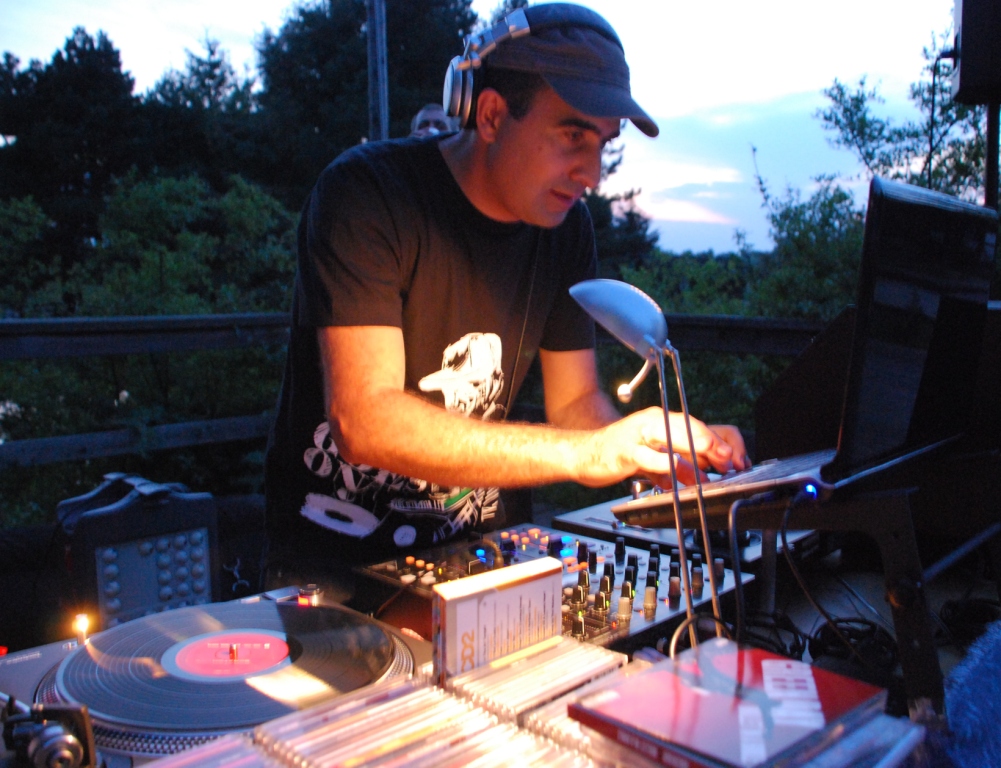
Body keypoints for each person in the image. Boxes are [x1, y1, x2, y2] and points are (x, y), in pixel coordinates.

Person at [264, 3, 748, 590]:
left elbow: (576, 403)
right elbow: (363, 420)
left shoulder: (566, 229)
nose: (592, 173)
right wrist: (588, 455)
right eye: (573, 135)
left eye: (603, 143)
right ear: (491, 115)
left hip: (480, 563)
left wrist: (654, 454)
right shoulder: (366, 194)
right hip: (333, 575)